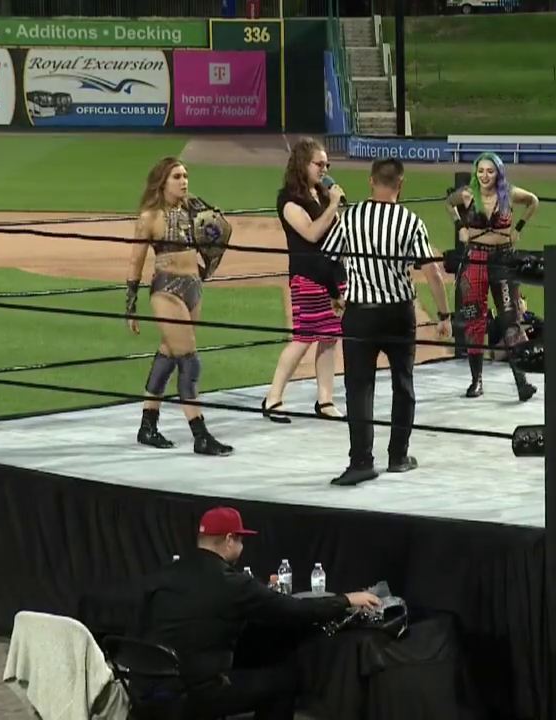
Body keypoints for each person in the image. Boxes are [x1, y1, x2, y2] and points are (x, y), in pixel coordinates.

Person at [139, 507, 382, 720]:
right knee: (283, 682)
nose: (242, 547)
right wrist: (347, 599)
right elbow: (295, 609)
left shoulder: (167, 572)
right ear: (229, 540)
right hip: (194, 694)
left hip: (147, 688)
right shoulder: (233, 583)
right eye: (241, 540)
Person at [320, 158, 453, 487]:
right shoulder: (410, 221)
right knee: (403, 384)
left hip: (360, 312)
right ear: (401, 184)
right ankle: (398, 456)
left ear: (371, 181)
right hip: (398, 313)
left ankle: (361, 461)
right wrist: (444, 315)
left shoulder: (351, 217)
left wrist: (336, 294)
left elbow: (328, 260)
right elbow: (433, 272)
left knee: (358, 387)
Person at [126, 157, 232, 456]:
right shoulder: (149, 217)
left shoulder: (193, 208)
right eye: (177, 176)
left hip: (193, 288)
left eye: (186, 175)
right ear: (162, 182)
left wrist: (211, 256)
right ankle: (200, 434)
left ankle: (148, 426)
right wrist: (131, 305)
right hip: (167, 291)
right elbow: (135, 262)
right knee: (189, 360)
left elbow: (217, 234)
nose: (184, 181)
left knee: (168, 355)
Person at [261, 138, 347, 423]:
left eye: (326, 164)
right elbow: (311, 233)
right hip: (308, 277)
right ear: (302, 164)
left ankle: (325, 400)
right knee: (303, 338)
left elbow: (336, 232)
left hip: (333, 275)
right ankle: (273, 398)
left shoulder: (321, 194)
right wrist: (333, 205)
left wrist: (333, 205)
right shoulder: (289, 199)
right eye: (318, 164)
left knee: (330, 337)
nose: (324, 169)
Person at [446, 152, 541, 401]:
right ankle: (476, 380)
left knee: (510, 319)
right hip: (475, 260)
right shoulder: (467, 194)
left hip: (502, 260)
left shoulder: (509, 193)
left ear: (498, 172)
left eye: (490, 171)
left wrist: (518, 228)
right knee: (474, 320)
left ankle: (521, 382)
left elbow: (533, 201)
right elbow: (448, 202)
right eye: (481, 171)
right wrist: (460, 227)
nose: (485, 176)